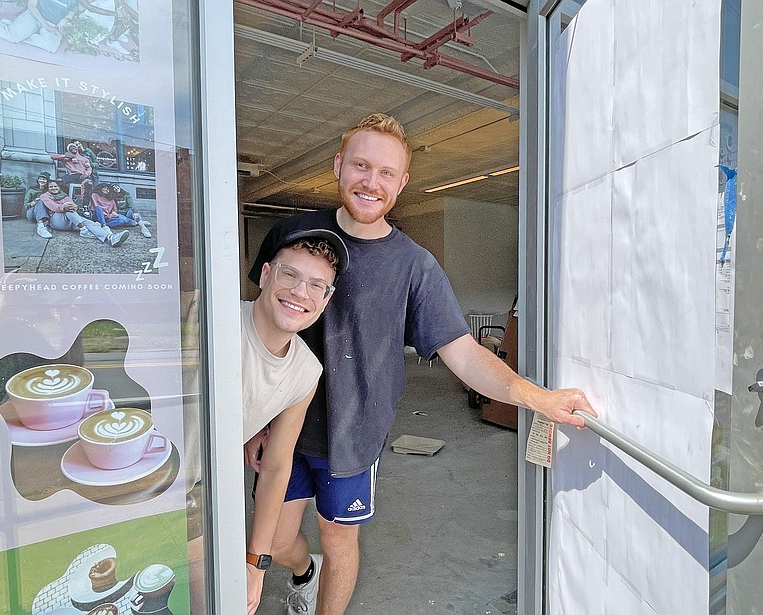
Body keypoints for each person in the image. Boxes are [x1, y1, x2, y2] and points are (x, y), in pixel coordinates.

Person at [247, 113, 598, 615]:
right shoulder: (292, 234)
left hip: (353, 433)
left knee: (339, 539)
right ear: (338, 165)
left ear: (402, 183)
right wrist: (250, 421)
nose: (372, 182)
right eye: (361, 166)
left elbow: (465, 353)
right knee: (278, 542)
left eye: (386, 173)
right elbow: (258, 326)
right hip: (282, 423)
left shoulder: (414, 266)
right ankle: (305, 572)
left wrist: (538, 397)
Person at [244, 228, 350, 614]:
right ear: (266, 273)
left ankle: (305, 573)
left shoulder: (306, 371)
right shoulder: (212, 325)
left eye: (316, 285)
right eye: (290, 274)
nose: (300, 292)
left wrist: (255, 564)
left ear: (327, 298)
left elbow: (275, 466)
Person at [0, 0, 115, 53]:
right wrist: (44, 24)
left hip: (53, 23)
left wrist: (65, 20)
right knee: (13, 37)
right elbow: (32, 6)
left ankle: (18, 30)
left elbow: (72, 11)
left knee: (51, 46)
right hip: (35, 15)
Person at [34, 178, 129, 246]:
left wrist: (73, 206)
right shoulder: (44, 196)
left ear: (59, 188)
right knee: (69, 211)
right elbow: (53, 207)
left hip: (71, 220)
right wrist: (64, 206)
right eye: (51, 187)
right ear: (48, 188)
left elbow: (74, 206)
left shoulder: (65, 196)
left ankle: (110, 238)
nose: (54, 188)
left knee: (91, 224)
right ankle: (83, 230)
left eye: (56, 186)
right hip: (56, 220)